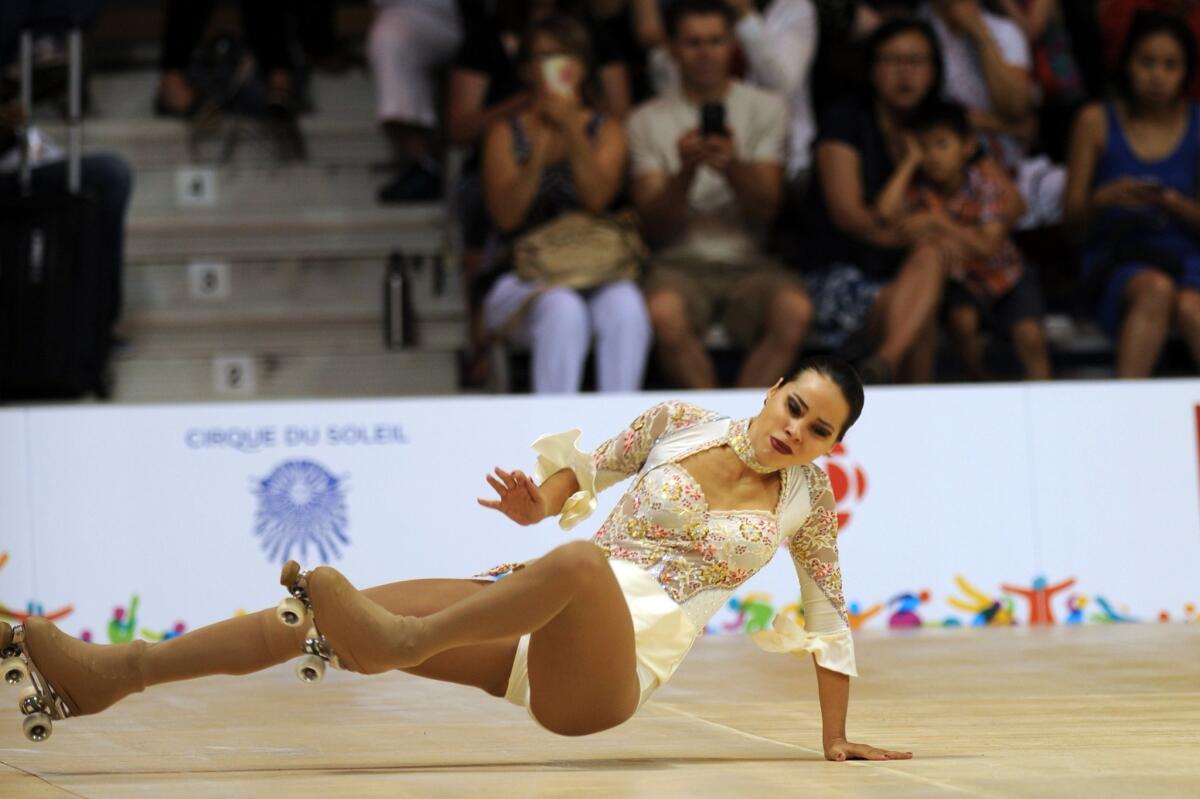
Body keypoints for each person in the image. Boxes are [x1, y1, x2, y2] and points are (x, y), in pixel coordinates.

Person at [0, 356, 912, 760]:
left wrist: (833, 738)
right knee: (306, 616)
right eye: (795, 405)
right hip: (530, 607)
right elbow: (580, 477)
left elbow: (828, 614)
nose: (796, 429)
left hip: (608, 676)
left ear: (831, 446)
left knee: (581, 569)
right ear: (772, 388)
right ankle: (110, 673)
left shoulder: (807, 503)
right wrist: (537, 505)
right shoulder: (677, 425)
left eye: (818, 428)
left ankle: (396, 644)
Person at [630, 0, 812, 389]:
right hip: (678, 263)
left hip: (751, 262)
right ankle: (713, 429)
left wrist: (732, 167)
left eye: (715, 41)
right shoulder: (646, 119)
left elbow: (767, 210)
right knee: (662, 312)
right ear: (674, 50)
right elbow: (654, 227)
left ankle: (745, 430)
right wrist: (684, 174)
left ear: (733, 44)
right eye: (693, 43)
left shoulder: (767, 108)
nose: (705, 53)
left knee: (794, 310)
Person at [478, 14, 650, 393]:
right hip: (521, 274)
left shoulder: (605, 129)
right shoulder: (505, 132)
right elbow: (506, 217)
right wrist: (540, 144)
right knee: (563, 308)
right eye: (542, 57)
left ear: (584, 67)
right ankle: (555, 443)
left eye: (565, 56)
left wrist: (571, 128)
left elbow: (597, 199)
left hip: (594, 268)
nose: (555, 66)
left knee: (627, 306)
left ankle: (621, 440)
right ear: (526, 69)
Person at [1063, 12, 1200, 377]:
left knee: (1191, 306)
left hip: (1188, 257)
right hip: (1118, 258)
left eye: (1171, 65)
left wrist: (1173, 204)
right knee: (1156, 289)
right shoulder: (1094, 121)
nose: (1158, 75)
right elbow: (1071, 223)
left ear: (1186, 72)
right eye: (1147, 62)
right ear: (1127, 64)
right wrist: (1103, 200)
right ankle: (1125, 411)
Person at [875, 100, 1051, 380]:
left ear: (967, 147)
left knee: (1030, 337)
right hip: (966, 284)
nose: (932, 156)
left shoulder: (985, 185)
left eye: (941, 144)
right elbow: (885, 212)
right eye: (924, 147)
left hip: (1007, 277)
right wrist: (909, 163)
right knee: (962, 323)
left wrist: (938, 222)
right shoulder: (920, 190)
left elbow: (988, 247)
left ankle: (1046, 404)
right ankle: (983, 383)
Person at [919, 0, 1063, 230]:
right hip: (955, 174)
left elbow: (1016, 106)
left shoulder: (1002, 30)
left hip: (1016, 165)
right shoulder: (920, 31)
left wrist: (979, 33)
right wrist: (1005, 125)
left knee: (1068, 188)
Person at [369, 0, 464, 203]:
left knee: (389, 35)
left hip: (458, 17)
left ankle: (428, 167)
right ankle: (425, 165)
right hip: (396, 15)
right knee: (388, 35)